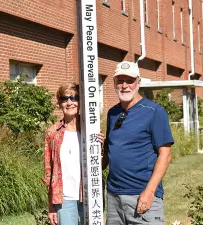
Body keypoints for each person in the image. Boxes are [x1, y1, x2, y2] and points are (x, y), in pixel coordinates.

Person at [102, 61, 174, 225]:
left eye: (130, 81)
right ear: (114, 83)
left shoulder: (154, 112)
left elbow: (165, 155)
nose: (124, 86)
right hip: (114, 196)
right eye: (120, 81)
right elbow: (109, 151)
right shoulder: (113, 113)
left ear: (138, 82)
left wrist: (149, 192)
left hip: (141, 194)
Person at [42, 83, 104, 225]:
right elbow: (49, 172)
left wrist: (102, 146)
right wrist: (51, 206)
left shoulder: (91, 129)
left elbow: (101, 164)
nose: (69, 102)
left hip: (89, 194)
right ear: (60, 103)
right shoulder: (52, 133)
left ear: (80, 101)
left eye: (74, 97)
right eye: (65, 99)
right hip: (64, 198)